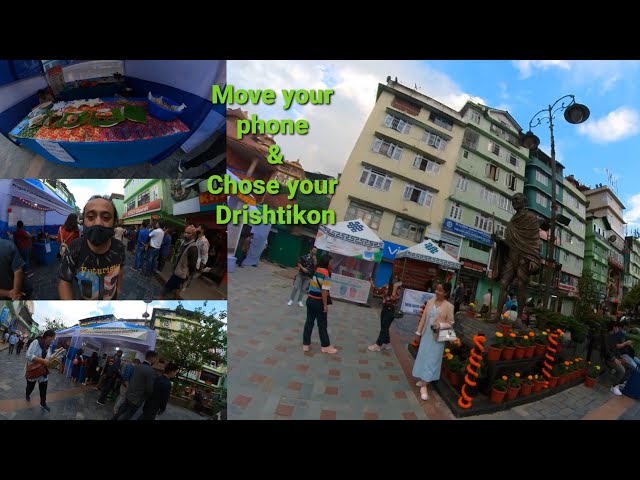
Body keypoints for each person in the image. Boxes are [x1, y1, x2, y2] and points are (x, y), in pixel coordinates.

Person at [58, 195, 126, 300]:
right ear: (83, 220)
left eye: (106, 217)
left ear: (114, 222)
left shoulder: (119, 247)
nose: (98, 222)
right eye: (90, 216)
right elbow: (65, 281)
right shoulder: (74, 247)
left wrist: (119, 287)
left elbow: (120, 268)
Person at [489, 193, 541, 322]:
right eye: (512, 200)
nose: (514, 202)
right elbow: (510, 241)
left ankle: (518, 319)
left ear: (524, 201)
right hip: (511, 256)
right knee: (503, 284)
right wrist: (499, 240)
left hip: (524, 257)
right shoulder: (513, 220)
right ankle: (497, 315)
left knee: (521, 286)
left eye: (516, 199)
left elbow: (535, 241)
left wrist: (534, 259)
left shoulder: (531, 218)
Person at [412, 282, 455, 401]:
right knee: (423, 357)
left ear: (446, 292)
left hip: (437, 338)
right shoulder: (430, 302)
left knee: (432, 360)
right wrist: (418, 333)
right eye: (437, 289)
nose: (437, 292)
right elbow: (424, 319)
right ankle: (423, 379)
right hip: (426, 335)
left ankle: (425, 385)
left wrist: (440, 325)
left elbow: (451, 323)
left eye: (440, 290)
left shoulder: (449, 306)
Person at [302, 254, 338, 354]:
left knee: (309, 322)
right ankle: (326, 346)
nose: (332, 264)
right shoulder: (327, 273)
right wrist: (325, 305)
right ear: (327, 263)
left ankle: (306, 344)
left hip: (310, 300)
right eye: (331, 262)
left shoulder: (316, 270)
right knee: (322, 324)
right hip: (318, 301)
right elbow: (324, 290)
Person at [112, 350, 159, 420]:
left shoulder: (137, 366)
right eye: (156, 358)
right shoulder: (151, 371)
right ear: (153, 358)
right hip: (137, 399)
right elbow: (149, 389)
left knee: (121, 411)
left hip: (129, 394)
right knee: (127, 416)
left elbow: (131, 379)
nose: (156, 360)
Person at [162, 225, 198, 299]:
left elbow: (192, 264)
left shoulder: (193, 248)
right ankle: (176, 298)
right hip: (178, 269)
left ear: (193, 235)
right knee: (177, 287)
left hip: (182, 273)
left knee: (169, 285)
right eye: (185, 232)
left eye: (189, 233)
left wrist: (189, 275)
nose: (186, 234)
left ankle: (161, 296)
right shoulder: (184, 243)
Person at [25, 329, 56, 413]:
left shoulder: (48, 347)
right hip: (34, 370)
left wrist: (53, 359)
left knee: (43, 389)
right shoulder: (36, 342)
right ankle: (27, 394)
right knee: (30, 387)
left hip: (43, 371)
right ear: (48, 337)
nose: (53, 340)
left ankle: (43, 403)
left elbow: (48, 358)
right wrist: (42, 361)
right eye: (53, 338)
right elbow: (28, 355)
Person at [368, 277, 402, 352]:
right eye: (393, 278)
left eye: (396, 278)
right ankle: (387, 343)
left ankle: (378, 344)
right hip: (384, 308)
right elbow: (377, 291)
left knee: (384, 327)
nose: (394, 280)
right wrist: (372, 283)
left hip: (391, 310)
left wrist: (394, 288)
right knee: (384, 326)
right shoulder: (386, 286)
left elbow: (393, 299)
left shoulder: (398, 288)